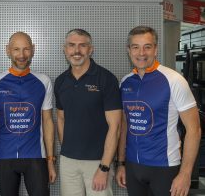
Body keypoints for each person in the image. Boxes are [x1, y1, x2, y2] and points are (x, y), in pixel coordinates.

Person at [116, 26, 201, 196]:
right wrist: (121, 163)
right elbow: (124, 126)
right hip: (133, 167)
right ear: (129, 50)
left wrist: (185, 174)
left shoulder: (174, 80)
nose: (141, 53)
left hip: (165, 167)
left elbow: (194, 130)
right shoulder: (125, 82)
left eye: (147, 46)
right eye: (135, 47)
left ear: (155, 49)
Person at [0, 32, 56, 196]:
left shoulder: (43, 81)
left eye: (26, 49)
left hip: (36, 157)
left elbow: (47, 122)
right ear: (7, 50)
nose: (22, 55)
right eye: (16, 49)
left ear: (33, 50)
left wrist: (51, 161)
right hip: (5, 157)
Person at [54, 28, 122, 196]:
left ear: (90, 49)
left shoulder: (106, 79)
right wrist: (68, 150)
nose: (76, 51)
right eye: (71, 45)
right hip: (68, 162)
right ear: (65, 49)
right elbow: (61, 119)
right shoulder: (61, 81)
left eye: (82, 45)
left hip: (98, 163)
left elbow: (116, 127)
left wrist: (104, 167)